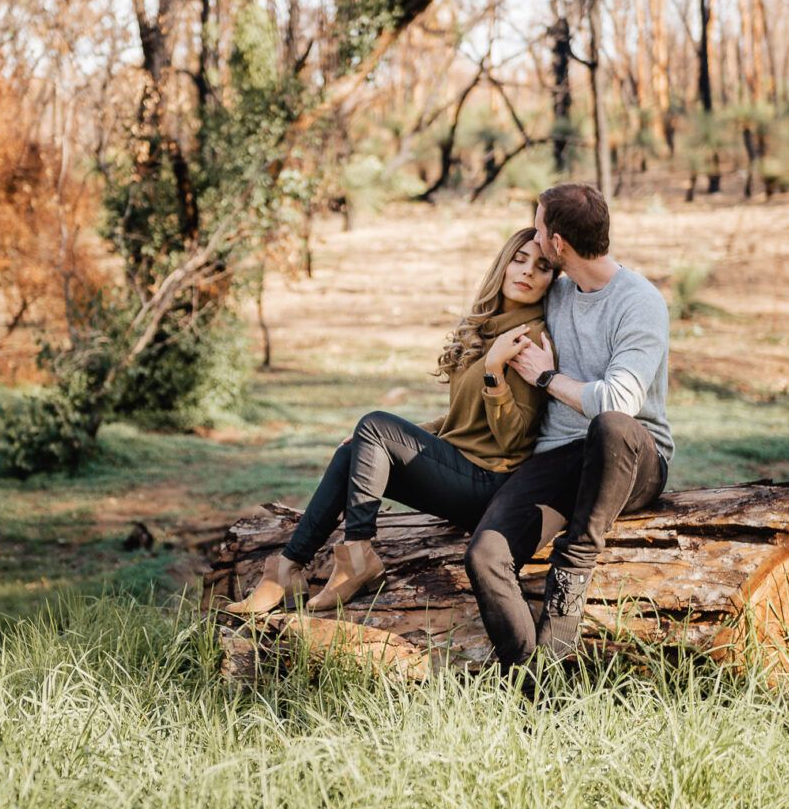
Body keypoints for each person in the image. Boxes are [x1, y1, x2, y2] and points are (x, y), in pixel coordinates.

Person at [228, 228, 559, 615]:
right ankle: (286, 570)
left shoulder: (529, 339)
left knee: (374, 424)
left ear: (551, 281)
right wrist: (379, 442)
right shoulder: (489, 326)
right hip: (462, 470)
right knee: (353, 451)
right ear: (503, 264)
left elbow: (513, 441)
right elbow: (462, 419)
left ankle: (357, 557)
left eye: (543, 266)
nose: (528, 271)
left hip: (489, 486)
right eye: (519, 259)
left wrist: (494, 372)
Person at [464, 183, 672, 668]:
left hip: (632, 459)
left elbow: (619, 401)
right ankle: (531, 680)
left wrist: (548, 377)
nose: (534, 239)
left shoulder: (639, 301)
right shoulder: (555, 293)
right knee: (485, 556)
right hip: (558, 458)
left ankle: (574, 563)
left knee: (610, 425)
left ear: (558, 243)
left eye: (539, 230)